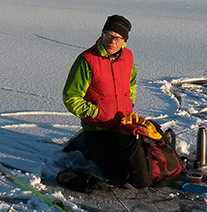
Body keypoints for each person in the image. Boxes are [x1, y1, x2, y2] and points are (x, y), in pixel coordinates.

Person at [62, 15, 153, 188]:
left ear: (124, 41)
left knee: (143, 164)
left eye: (118, 37)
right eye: (108, 35)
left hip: (123, 124)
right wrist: (96, 113)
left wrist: (129, 103)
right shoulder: (87, 60)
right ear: (102, 34)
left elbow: (131, 83)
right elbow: (71, 97)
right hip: (98, 128)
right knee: (120, 174)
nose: (112, 41)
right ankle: (85, 144)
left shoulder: (127, 57)